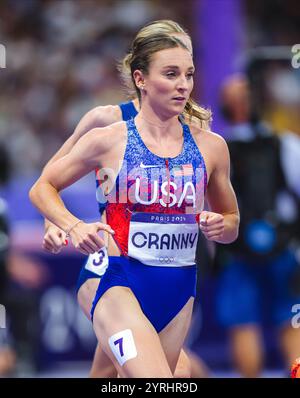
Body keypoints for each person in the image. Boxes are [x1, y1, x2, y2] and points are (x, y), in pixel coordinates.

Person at [30, 32, 239, 378]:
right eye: (171, 74)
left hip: (180, 288)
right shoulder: (107, 128)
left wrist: (225, 226)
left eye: (189, 74)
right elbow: (46, 184)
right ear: (140, 78)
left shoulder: (210, 145)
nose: (183, 85)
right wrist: (65, 225)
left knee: (125, 376)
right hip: (115, 274)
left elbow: (231, 222)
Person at [215, 74, 300, 377]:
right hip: (253, 249)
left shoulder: (219, 148)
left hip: (267, 249)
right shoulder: (284, 144)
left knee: (269, 324)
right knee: (283, 324)